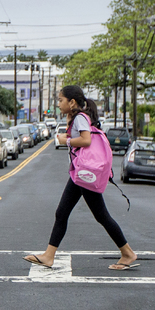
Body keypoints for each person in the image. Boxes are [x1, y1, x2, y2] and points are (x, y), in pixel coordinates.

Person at [23, 85, 138, 271]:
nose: (58, 104)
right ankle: (49, 256)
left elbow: (86, 140)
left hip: (84, 173)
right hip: (79, 173)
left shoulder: (80, 118)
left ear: (72, 102)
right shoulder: (76, 118)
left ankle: (128, 253)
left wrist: (65, 140)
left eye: (61, 100)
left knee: (99, 215)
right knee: (65, 213)